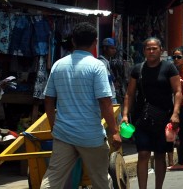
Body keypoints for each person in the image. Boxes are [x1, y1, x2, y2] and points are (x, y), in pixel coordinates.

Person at [39, 22, 121, 189]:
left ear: (73, 42)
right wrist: (114, 131)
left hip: (64, 134)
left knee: (53, 179)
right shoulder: (97, 66)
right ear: (95, 42)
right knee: (100, 181)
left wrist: (54, 126)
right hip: (90, 135)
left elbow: (48, 100)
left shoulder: (58, 65)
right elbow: (105, 101)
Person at [122, 37, 182, 189]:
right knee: (143, 154)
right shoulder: (137, 69)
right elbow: (129, 93)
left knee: (160, 155)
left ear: (161, 50)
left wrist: (175, 113)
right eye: (148, 48)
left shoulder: (169, 68)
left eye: (154, 48)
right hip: (142, 119)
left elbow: (178, 91)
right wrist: (124, 115)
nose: (151, 51)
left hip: (164, 118)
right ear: (143, 51)